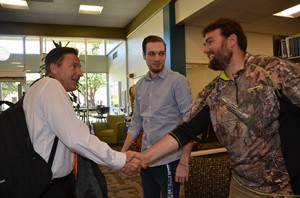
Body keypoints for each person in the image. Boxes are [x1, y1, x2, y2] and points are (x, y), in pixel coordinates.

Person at [135, 18, 300, 197]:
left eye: (210, 42)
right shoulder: (214, 91)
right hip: (240, 187)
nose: (205, 49)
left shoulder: (274, 70)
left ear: (231, 40)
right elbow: (184, 130)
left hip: (285, 189)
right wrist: (144, 157)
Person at [23, 47, 141, 197]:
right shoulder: (51, 87)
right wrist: (120, 159)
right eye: (73, 66)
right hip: (52, 187)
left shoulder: (35, 88)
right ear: (54, 68)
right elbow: (77, 138)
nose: (80, 73)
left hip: (40, 180)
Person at [121, 35, 193, 198]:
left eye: (161, 53)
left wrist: (184, 161)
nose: (157, 58)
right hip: (146, 159)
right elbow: (136, 122)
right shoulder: (140, 86)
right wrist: (123, 153)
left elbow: (189, 123)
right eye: (152, 54)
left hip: (169, 160)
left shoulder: (178, 81)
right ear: (144, 55)